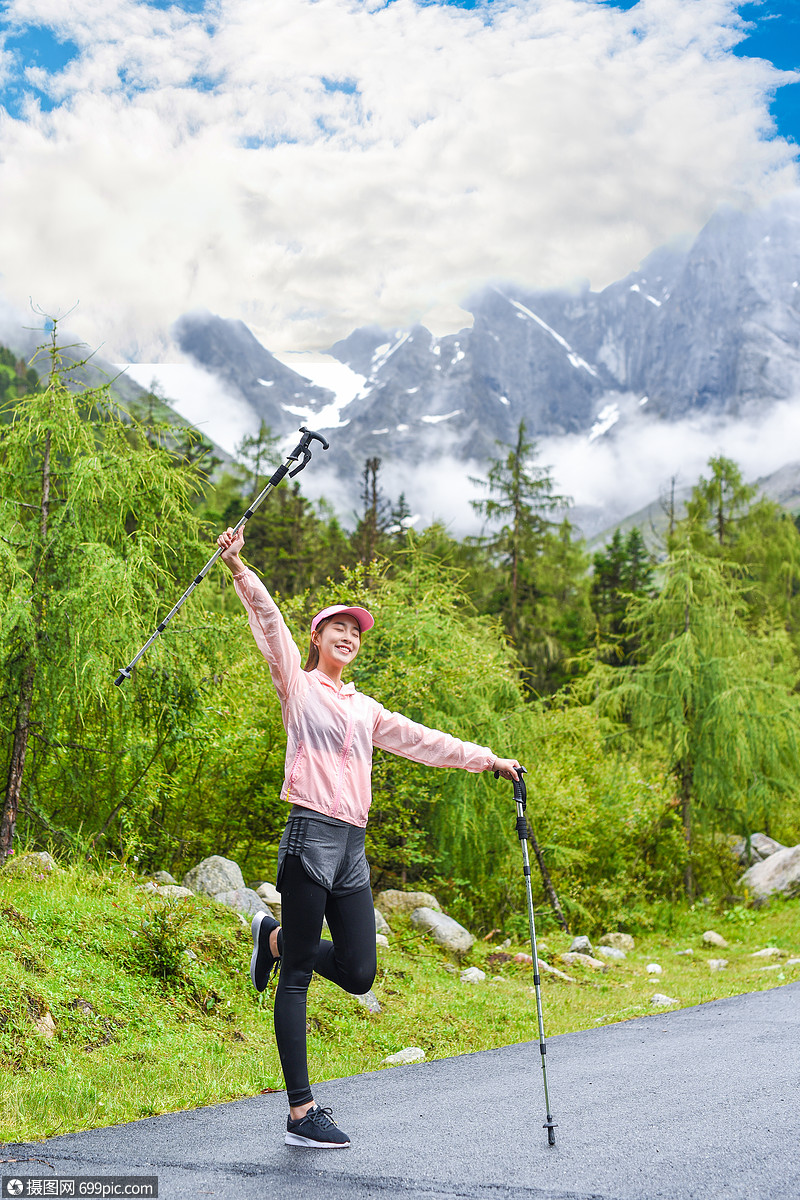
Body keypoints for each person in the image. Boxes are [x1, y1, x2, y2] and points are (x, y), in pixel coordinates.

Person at [217, 526, 521, 1149]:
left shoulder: (366, 708)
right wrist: (240, 568)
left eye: (355, 631)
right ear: (317, 637)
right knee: (299, 974)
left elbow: (424, 741)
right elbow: (270, 626)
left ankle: (272, 938)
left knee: (358, 971)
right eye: (338, 627)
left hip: (351, 848)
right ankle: (301, 1113)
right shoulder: (297, 684)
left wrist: (488, 760)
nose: (348, 636)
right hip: (309, 837)